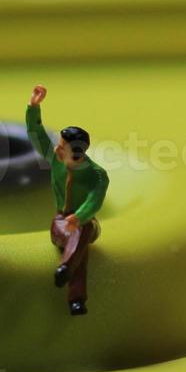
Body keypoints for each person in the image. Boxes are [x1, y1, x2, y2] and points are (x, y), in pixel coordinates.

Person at [27, 84, 108, 316]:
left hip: (86, 223)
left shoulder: (96, 174)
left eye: (62, 146)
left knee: (81, 231)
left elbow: (95, 199)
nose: (57, 148)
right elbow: (37, 136)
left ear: (77, 152)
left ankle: (65, 268)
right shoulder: (56, 161)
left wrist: (79, 216)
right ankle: (75, 293)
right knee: (79, 245)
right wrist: (33, 107)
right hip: (60, 223)